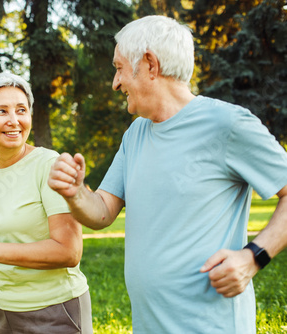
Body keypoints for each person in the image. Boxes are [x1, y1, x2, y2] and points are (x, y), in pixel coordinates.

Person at [48, 15, 287, 334]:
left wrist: (253, 256)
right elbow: (102, 212)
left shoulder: (227, 125)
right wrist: (76, 192)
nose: (115, 82)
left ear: (149, 64)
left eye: (119, 68)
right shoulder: (135, 134)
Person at [0, 72, 92, 334]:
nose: (14, 121)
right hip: (4, 310)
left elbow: (69, 252)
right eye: (1, 111)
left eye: (21, 110)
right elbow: (9, 238)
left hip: (54, 311)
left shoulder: (50, 165)